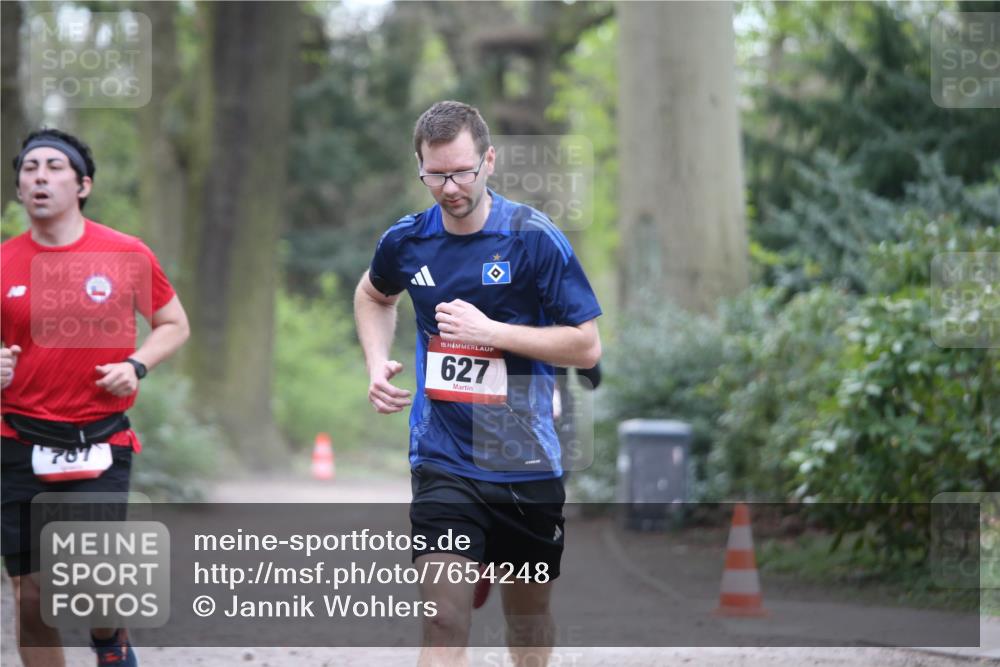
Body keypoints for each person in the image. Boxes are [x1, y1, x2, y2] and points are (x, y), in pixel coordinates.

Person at [354, 101, 602, 667]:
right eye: (435, 174)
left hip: (524, 458)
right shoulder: (406, 241)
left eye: (462, 171)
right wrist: (375, 361)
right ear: (420, 167)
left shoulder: (533, 238)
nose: (449, 187)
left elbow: (586, 344)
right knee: (444, 621)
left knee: (528, 619)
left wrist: (493, 331)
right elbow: (373, 294)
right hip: (444, 456)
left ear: (488, 160)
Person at [1, 129, 190, 667]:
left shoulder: (125, 253)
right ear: (18, 187)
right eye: (30, 167)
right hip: (17, 440)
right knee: (32, 597)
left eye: (55, 167)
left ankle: (109, 640)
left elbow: (174, 323)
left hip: (99, 440)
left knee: (95, 585)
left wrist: (137, 365)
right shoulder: (3, 263)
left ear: (82, 184)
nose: (40, 176)